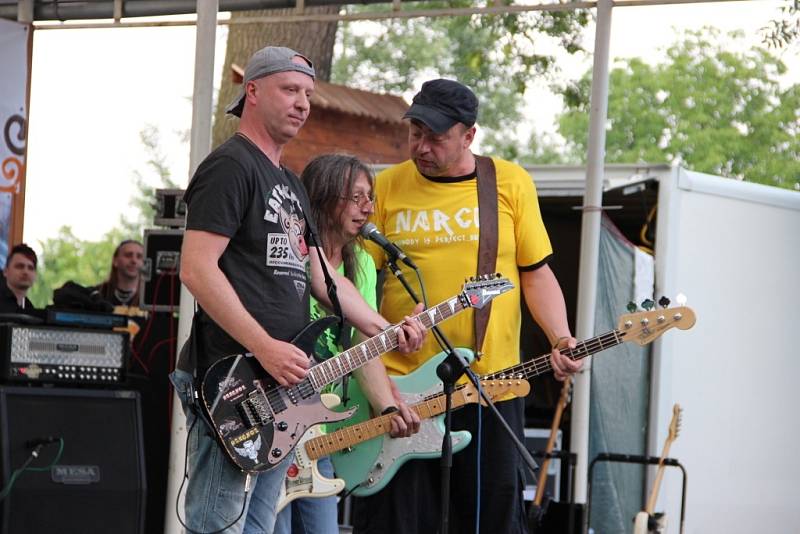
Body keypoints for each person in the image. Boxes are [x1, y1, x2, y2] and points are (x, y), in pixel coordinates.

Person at [172, 46, 423, 534]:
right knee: (221, 524)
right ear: (253, 91)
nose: (303, 103)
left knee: (258, 528)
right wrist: (264, 347)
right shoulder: (231, 166)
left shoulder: (289, 182)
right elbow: (197, 271)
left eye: (308, 93)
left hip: (281, 387)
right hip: (233, 378)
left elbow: (321, 277)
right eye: (290, 90)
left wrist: (385, 329)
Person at [353, 79, 583, 534]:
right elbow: (356, 281)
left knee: (488, 519)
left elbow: (535, 271)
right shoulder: (386, 187)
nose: (421, 146)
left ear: (468, 135)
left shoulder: (508, 182)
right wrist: (383, 327)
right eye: (416, 132)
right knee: (395, 522)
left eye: (435, 137)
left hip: (490, 386)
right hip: (402, 391)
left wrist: (560, 336)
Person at [274, 154, 384, 534]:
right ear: (323, 197)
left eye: (369, 197)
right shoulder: (292, 254)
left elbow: (364, 344)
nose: (367, 207)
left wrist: (387, 407)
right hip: (275, 417)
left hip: (320, 430)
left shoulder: (365, 265)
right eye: (356, 197)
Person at [96, 239, 145, 307]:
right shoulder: (96, 294)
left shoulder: (151, 299)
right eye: (128, 255)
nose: (134, 260)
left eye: (139, 257)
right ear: (115, 261)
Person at [0, 243, 38, 314]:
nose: (25, 272)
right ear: (5, 271)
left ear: (35, 275)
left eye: (30, 268)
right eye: (19, 266)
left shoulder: (29, 307)